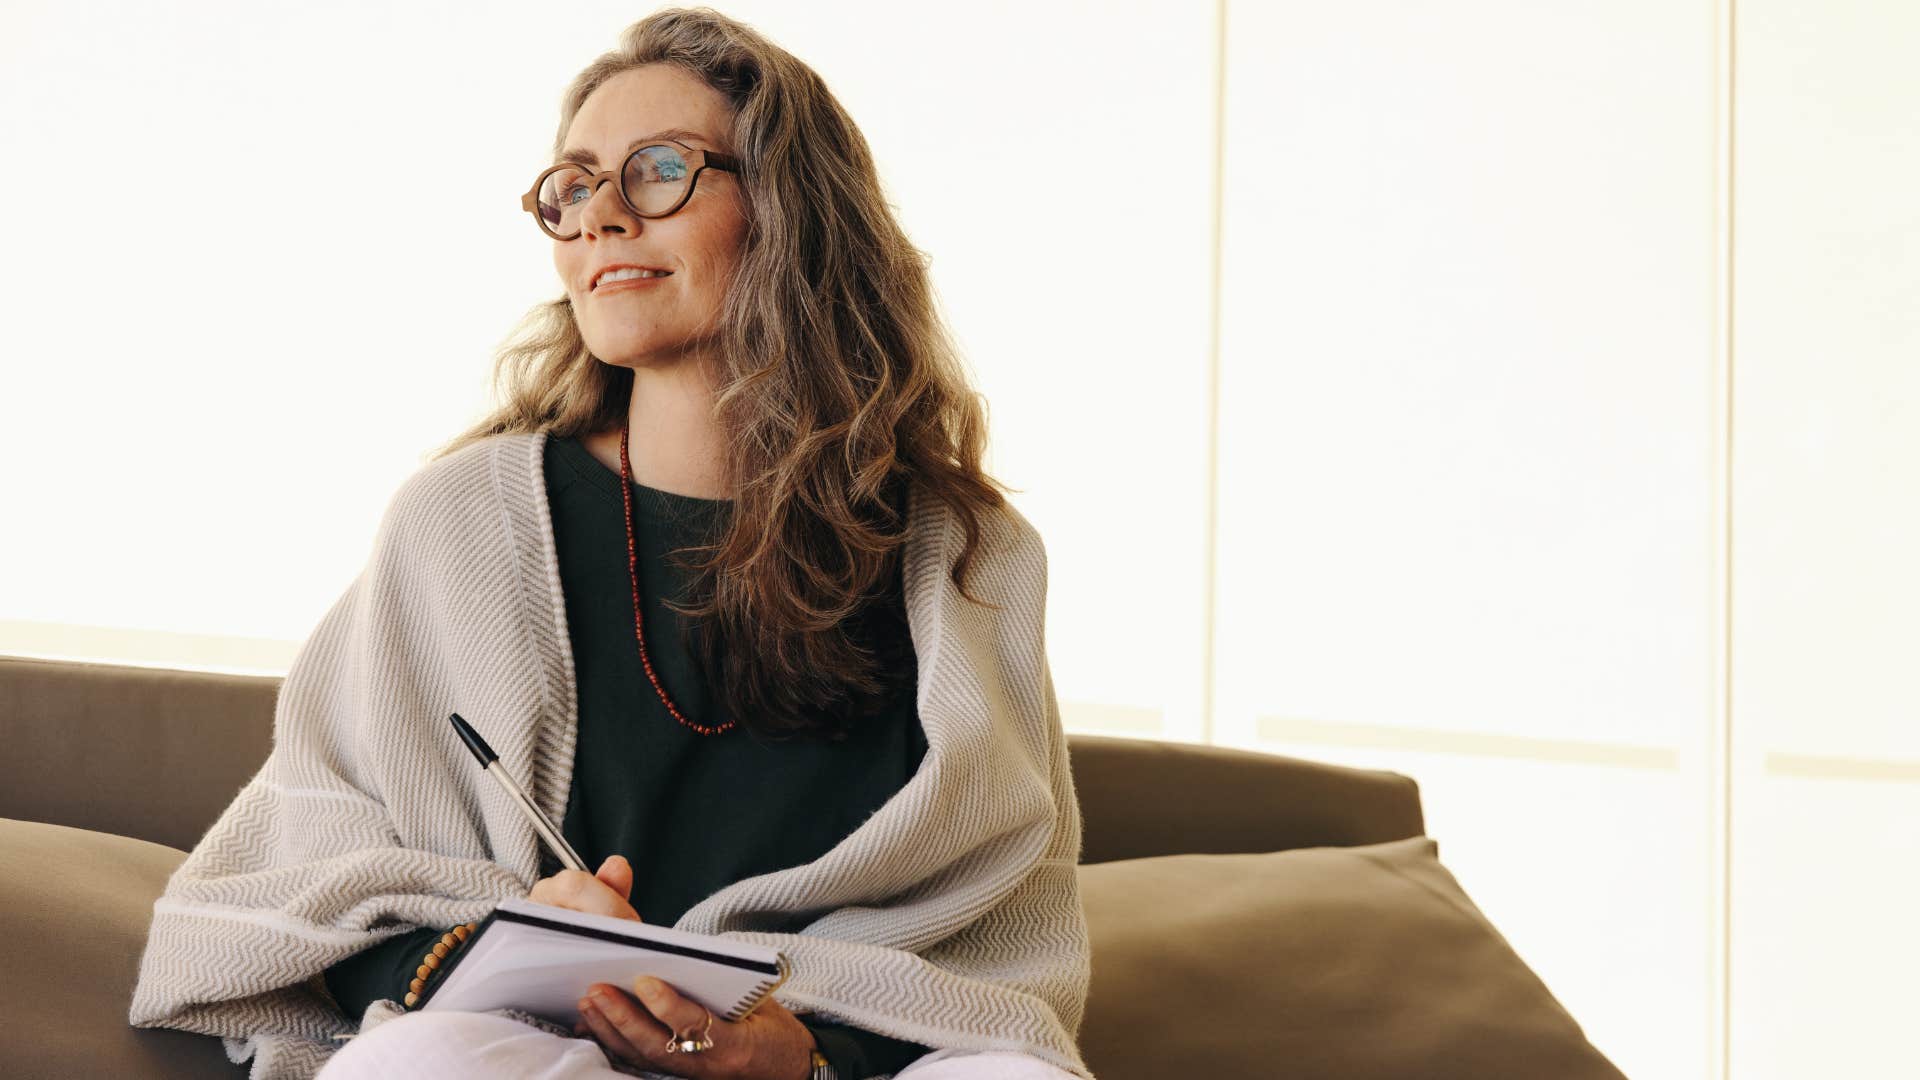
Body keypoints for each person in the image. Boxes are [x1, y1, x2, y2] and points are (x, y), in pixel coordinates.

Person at [127, 8, 1093, 1080]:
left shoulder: (966, 560)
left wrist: (800, 1052)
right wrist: (502, 939)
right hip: (537, 1043)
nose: (599, 219)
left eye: (659, 171)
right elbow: (316, 874)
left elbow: (1002, 954)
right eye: (575, 186)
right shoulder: (459, 524)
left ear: (789, 210)